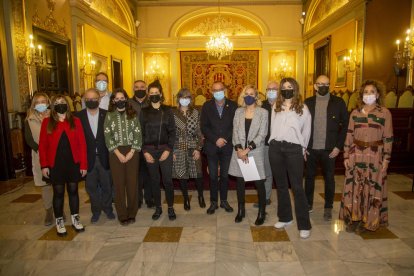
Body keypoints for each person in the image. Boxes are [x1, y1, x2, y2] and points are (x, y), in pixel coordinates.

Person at [339, 80, 393, 234]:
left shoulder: (384, 113)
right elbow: (349, 135)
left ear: (377, 94)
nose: (368, 95)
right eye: (365, 92)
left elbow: (388, 137)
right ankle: (353, 219)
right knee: (354, 187)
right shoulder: (355, 113)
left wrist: (386, 159)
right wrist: (346, 156)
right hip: (356, 155)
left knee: (371, 187)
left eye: (372, 92)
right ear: (361, 95)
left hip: (375, 156)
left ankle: (369, 221)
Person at [268, 77, 312, 239]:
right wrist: (273, 141)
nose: (287, 89)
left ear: (295, 89)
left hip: (294, 149)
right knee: (280, 186)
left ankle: (304, 224)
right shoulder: (276, 107)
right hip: (276, 148)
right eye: (284, 87)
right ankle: (285, 217)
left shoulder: (303, 108)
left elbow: (306, 131)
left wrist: (303, 148)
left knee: (297, 187)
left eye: (290, 87)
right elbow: (272, 127)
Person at [39, 95, 87, 236]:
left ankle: (75, 219)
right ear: (53, 106)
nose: (61, 105)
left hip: (73, 162)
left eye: (63, 102)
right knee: (58, 193)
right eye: (57, 103)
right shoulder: (47, 122)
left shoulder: (76, 121)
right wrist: (44, 165)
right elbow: (43, 146)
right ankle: (59, 221)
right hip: (56, 164)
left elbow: (82, 144)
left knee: (73, 191)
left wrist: (83, 164)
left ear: (68, 105)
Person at [304, 75, 348, 221]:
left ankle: (328, 207)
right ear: (315, 86)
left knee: (329, 178)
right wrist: (303, 146)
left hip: (330, 149)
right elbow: (301, 126)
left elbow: (346, 126)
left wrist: (338, 147)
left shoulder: (339, 102)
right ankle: (308, 204)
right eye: (320, 84)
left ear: (329, 85)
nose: (323, 86)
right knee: (309, 178)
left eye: (326, 84)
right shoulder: (307, 103)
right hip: (310, 148)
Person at [228, 85, 268, 225]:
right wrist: (239, 149)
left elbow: (262, 134)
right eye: (247, 94)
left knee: (259, 183)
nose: (249, 96)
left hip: (254, 152)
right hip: (239, 152)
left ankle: (262, 212)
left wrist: (247, 150)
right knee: (240, 182)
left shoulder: (263, 112)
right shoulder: (238, 111)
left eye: (252, 94)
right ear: (243, 96)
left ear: (256, 96)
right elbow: (235, 132)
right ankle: (241, 210)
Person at [104, 88, 142, 226]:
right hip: (115, 153)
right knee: (119, 184)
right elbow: (107, 135)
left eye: (122, 98)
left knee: (132, 183)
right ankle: (122, 214)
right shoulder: (109, 115)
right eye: (117, 98)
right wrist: (118, 153)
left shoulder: (133, 113)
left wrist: (132, 152)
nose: (120, 100)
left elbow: (138, 133)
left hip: (133, 151)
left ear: (126, 99)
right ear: (113, 100)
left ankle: (132, 213)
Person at [77, 88, 115, 223]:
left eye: (94, 98)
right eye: (88, 99)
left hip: (105, 157)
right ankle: (96, 211)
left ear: (99, 100)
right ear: (84, 100)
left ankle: (108, 209)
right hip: (88, 159)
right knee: (91, 187)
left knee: (107, 186)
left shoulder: (108, 114)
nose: (91, 101)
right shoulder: (78, 117)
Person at [141, 80, 176, 220]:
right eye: (151, 93)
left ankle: (171, 208)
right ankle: (158, 208)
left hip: (165, 150)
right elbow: (140, 133)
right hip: (149, 151)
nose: (154, 95)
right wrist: (145, 151)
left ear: (161, 94)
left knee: (167, 180)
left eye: (156, 93)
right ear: (148, 95)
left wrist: (168, 149)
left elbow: (173, 132)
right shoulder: (143, 112)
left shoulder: (168, 110)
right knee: (154, 180)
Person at [201, 81, 237, 214]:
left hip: (227, 147)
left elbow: (235, 125)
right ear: (211, 91)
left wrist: (225, 139)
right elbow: (204, 126)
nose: (218, 92)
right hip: (212, 146)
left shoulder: (233, 105)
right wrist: (215, 139)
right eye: (215, 90)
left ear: (225, 90)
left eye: (220, 89)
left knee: (225, 175)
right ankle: (213, 202)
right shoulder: (206, 106)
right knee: (212, 177)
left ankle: (224, 201)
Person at [172, 88, 205, 210]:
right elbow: (171, 134)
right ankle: (186, 199)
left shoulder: (196, 113)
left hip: (193, 147)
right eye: (182, 97)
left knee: (198, 174)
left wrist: (198, 148)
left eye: (187, 97)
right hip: (178, 148)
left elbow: (200, 133)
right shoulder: (173, 114)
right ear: (178, 98)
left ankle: (201, 196)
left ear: (190, 99)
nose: (184, 99)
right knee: (182, 175)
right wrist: (172, 151)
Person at [25, 92, 53, 226]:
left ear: (48, 103)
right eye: (38, 102)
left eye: (43, 101)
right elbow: (29, 139)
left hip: (55, 154)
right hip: (40, 156)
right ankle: (49, 211)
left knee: (58, 184)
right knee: (46, 185)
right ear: (34, 104)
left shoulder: (54, 116)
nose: (41, 104)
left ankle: (58, 209)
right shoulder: (29, 119)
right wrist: (41, 149)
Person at [129, 80, 153, 209]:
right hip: (133, 144)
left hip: (149, 143)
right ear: (133, 89)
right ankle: (137, 200)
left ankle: (150, 199)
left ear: (146, 88)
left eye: (142, 87)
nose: (139, 89)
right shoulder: (128, 104)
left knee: (149, 172)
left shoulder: (151, 102)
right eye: (137, 87)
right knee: (135, 174)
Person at [254, 80, 279, 208]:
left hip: (279, 145)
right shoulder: (261, 106)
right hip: (263, 145)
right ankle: (265, 197)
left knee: (279, 174)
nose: (271, 91)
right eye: (269, 89)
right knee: (265, 172)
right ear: (265, 91)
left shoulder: (283, 106)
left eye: (274, 89)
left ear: (279, 91)